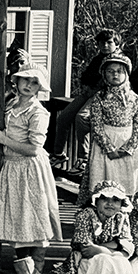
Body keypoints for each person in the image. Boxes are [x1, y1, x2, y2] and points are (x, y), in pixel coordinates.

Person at [0, 65, 64, 274]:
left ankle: (33, 273)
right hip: (11, 165)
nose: (27, 85)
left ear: (39, 87)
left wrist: (4, 138)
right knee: (16, 219)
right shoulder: (10, 105)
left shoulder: (38, 112)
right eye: (24, 80)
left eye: (34, 82)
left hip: (29, 168)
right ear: (16, 82)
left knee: (33, 217)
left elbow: (34, 148)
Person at [51, 28, 125, 171]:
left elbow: (110, 82)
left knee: (82, 117)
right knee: (63, 117)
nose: (104, 46)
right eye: (101, 43)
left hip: (104, 95)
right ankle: (58, 154)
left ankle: (83, 159)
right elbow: (85, 76)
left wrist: (94, 85)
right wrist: (87, 85)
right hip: (88, 92)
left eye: (109, 42)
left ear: (117, 43)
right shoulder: (97, 59)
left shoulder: (119, 60)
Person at [77, 53, 138, 208]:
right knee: (104, 180)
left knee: (127, 180)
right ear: (104, 75)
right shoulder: (99, 98)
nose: (115, 74)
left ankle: (126, 214)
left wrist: (128, 148)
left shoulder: (134, 98)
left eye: (119, 71)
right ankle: (100, 212)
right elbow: (97, 125)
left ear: (126, 74)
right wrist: (109, 148)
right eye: (110, 71)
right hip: (105, 145)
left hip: (127, 144)